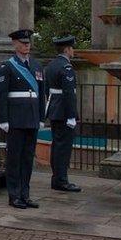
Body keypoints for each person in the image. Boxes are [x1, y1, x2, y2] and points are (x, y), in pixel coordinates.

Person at [0, 29, 46, 209]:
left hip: (32, 119)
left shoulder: (37, 66)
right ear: (15, 44)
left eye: (28, 43)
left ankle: (25, 194)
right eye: (23, 43)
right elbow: (1, 96)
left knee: (27, 159)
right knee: (14, 159)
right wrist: (4, 119)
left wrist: (41, 117)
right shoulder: (7, 67)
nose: (26, 46)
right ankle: (14, 195)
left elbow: (42, 94)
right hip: (16, 120)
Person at [43, 35, 81, 192]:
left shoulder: (51, 65)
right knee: (63, 147)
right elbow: (69, 93)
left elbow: (46, 89)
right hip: (64, 111)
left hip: (54, 109)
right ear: (67, 49)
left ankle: (56, 178)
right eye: (72, 48)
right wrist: (72, 115)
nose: (73, 51)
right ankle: (61, 180)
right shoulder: (66, 67)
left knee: (57, 146)